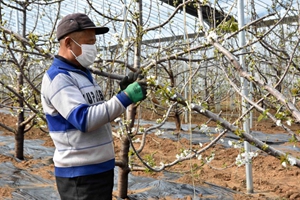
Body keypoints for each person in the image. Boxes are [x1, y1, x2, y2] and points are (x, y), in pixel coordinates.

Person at [41, 13, 147, 200]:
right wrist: (125, 97)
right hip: (80, 176)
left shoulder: (82, 74)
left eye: (94, 42)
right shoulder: (59, 78)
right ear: (68, 43)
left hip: (98, 171)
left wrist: (120, 94)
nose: (93, 47)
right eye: (88, 42)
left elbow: (98, 111)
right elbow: (85, 119)